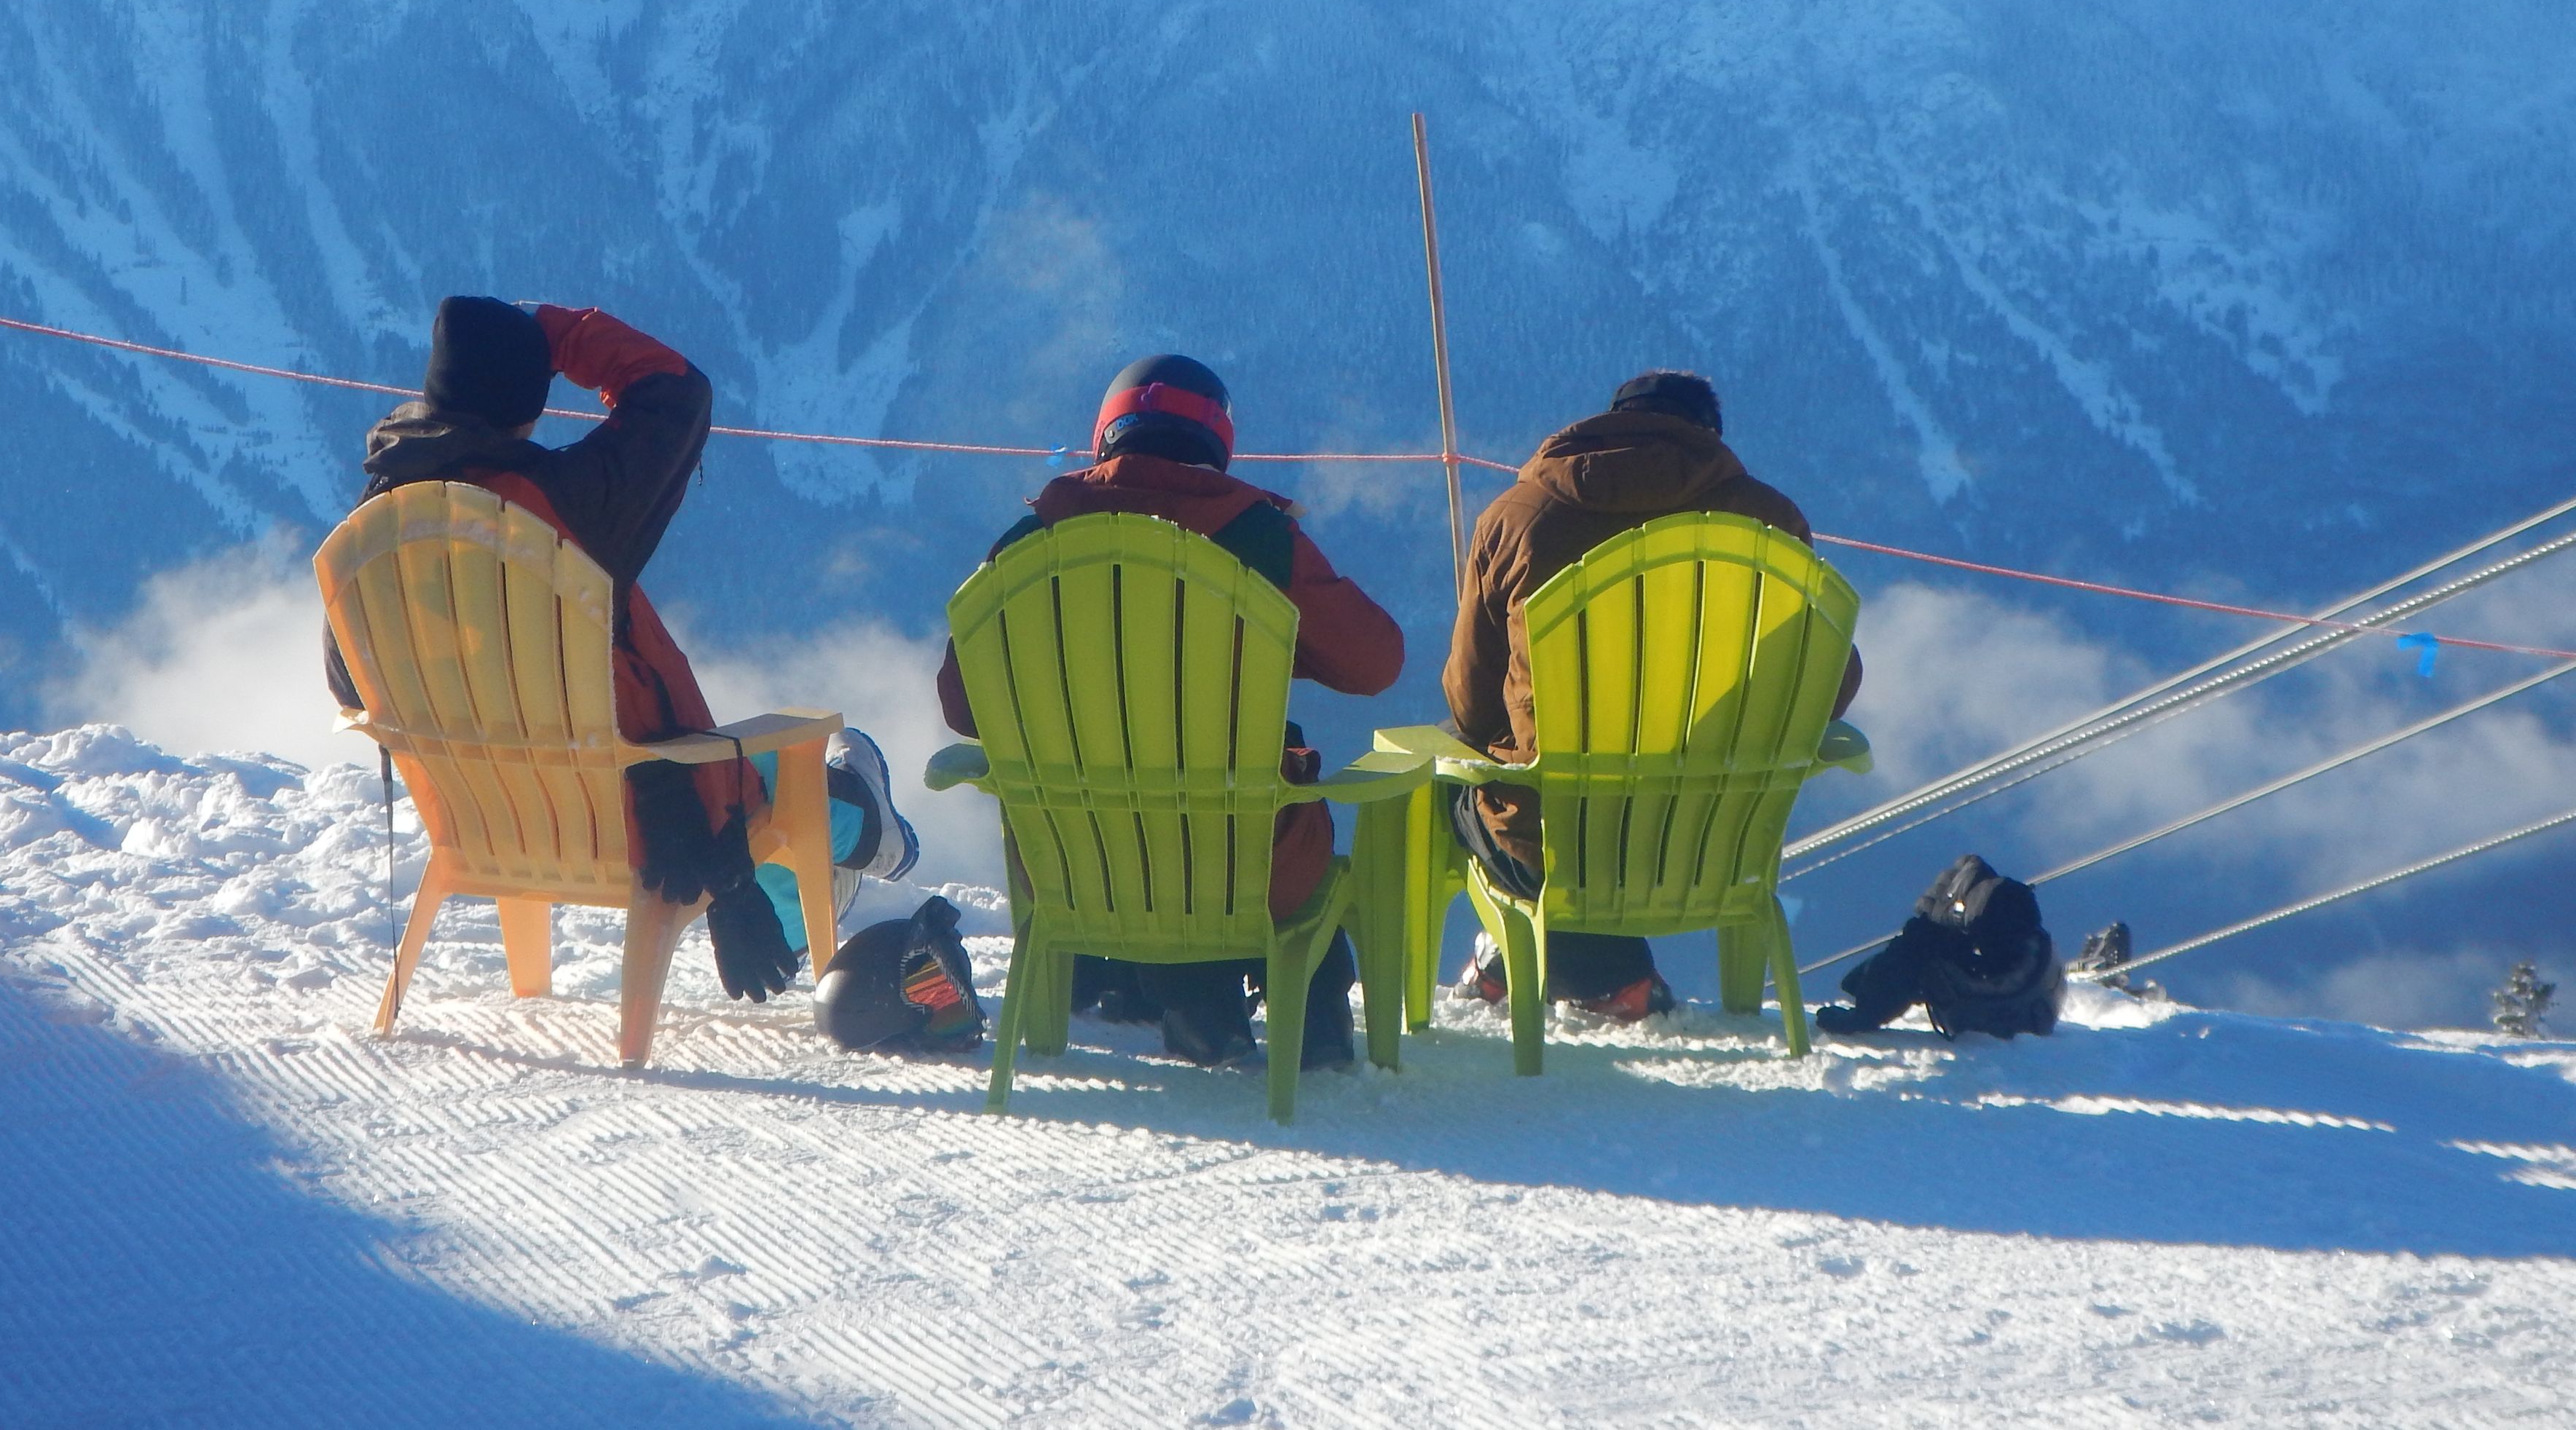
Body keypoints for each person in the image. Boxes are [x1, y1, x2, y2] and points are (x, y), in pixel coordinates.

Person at [326, 295, 917, 1001]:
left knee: (754, 772)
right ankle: (863, 824)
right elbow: (676, 390)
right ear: (528, 396)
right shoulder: (565, 505)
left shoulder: (372, 532)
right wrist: (558, 332)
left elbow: (351, 689)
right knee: (799, 774)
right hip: (642, 817)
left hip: (487, 820)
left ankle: (853, 830)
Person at [937, 355, 1406, 1069]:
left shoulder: (1027, 545)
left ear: (1106, 436)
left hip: (1075, 857)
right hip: (1243, 861)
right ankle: (1308, 1015)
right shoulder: (1260, 541)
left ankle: (1172, 995)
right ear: (1218, 443)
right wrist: (1271, 642)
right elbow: (1375, 665)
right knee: (1282, 809)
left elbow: (964, 707)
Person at [1439, 369, 1862, 1021]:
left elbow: (1470, 703)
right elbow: (1827, 678)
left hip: (1550, 844)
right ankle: (1604, 974)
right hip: (1715, 841)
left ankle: (1548, 965)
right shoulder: (1770, 522)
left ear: (1605, 427)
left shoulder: (1517, 517)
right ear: (1709, 437)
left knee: (1451, 776)